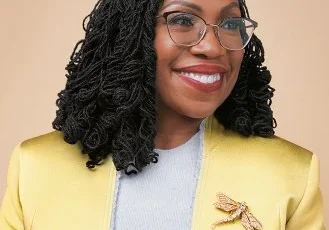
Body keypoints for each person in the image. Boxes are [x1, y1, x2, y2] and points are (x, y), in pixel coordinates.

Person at [0, 0, 325, 229]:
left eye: (229, 24)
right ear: (128, 34)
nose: (213, 47)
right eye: (183, 20)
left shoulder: (291, 175)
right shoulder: (35, 169)